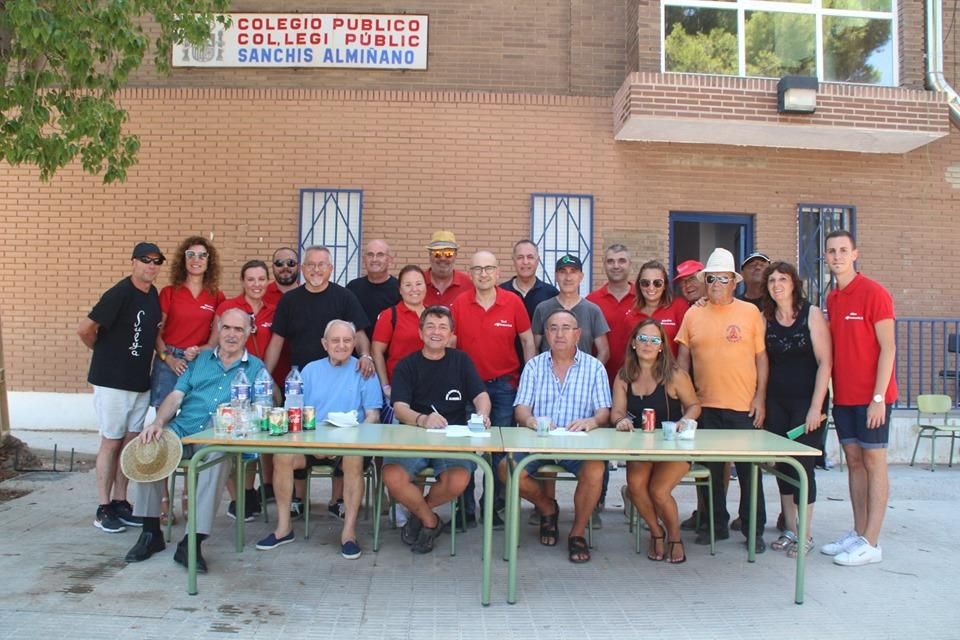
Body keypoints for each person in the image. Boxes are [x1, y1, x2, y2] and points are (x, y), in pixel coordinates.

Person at [123, 308, 266, 571]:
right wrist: (157, 423)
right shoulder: (199, 361)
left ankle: (192, 541)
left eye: (238, 330)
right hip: (184, 429)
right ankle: (150, 532)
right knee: (150, 445)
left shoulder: (256, 368)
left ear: (248, 334)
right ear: (218, 330)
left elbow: (261, 409)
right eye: (226, 328)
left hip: (218, 436)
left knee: (218, 457)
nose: (231, 335)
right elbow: (176, 396)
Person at [255, 320, 382, 560]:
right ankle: (284, 528)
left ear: (354, 343)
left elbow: (373, 416)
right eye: (335, 340)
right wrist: (314, 444)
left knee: (354, 458)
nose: (341, 345)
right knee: (282, 455)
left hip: (349, 445)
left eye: (347, 340)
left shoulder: (365, 370)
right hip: (311, 443)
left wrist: (345, 444)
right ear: (324, 344)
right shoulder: (309, 371)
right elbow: (297, 412)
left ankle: (348, 533)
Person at [675, 247, 768, 551]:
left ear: (734, 281)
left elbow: (762, 360)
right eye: (712, 278)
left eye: (723, 278)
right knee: (712, 473)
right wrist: (686, 403)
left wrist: (760, 398)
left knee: (749, 473)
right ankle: (714, 526)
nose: (717, 284)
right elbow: (683, 362)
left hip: (743, 407)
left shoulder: (750, 313)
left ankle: (754, 530)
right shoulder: (693, 313)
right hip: (706, 407)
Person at [502, 309, 611, 564]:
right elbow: (521, 410)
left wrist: (591, 421)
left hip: (578, 445)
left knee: (595, 471)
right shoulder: (534, 365)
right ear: (546, 333)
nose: (559, 334)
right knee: (505, 469)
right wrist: (530, 420)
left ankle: (577, 532)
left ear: (577, 333)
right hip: (539, 442)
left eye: (566, 328)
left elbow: (604, 412)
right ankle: (547, 507)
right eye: (553, 328)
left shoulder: (594, 367)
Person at [381, 306, 491, 554]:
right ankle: (431, 521)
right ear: (420, 332)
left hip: (452, 435)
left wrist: (482, 413)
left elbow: (481, 394)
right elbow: (399, 408)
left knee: (459, 479)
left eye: (443, 327)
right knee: (392, 476)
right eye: (430, 326)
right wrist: (422, 419)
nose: (436, 332)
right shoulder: (406, 365)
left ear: (451, 334)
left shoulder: (461, 361)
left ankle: (419, 515)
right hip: (413, 432)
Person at [821, 230, 896, 566]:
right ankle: (858, 532)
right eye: (831, 251)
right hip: (846, 397)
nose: (837, 256)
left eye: (843, 250)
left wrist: (878, 397)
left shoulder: (874, 293)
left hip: (872, 398)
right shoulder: (833, 297)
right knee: (854, 463)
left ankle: (873, 542)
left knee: (874, 462)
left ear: (855, 254)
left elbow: (889, 347)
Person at [77, 242, 164, 534]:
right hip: (111, 382)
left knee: (129, 444)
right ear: (133, 262)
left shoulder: (153, 295)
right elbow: (85, 329)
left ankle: (120, 502)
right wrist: (103, 353)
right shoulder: (119, 293)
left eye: (156, 261)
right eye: (145, 260)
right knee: (111, 442)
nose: (151, 266)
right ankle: (103, 508)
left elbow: (154, 334)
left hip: (140, 382)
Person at [451, 251, 535, 526]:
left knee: (499, 453)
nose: (483, 274)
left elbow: (527, 341)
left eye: (488, 268)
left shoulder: (512, 303)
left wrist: (528, 380)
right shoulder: (459, 303)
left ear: (498, 272)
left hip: (503, 388)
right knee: (465, 450)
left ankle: (494, 508)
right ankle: (465, 511)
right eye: (477, 269)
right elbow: (451, 346)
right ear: (471, 273)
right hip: (467, 389)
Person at [611, 319, 701, 563]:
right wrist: (620, 421)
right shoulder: (623, 376)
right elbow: (616, 412)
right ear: (633, 343)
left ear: (661, 346)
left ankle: (674, 537)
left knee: (658, 490)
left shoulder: (675, 375)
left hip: (673, 447)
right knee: (636, 486)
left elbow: (694, 405)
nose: (648, 344)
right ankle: (656, 531)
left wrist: (685, 421)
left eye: (654, 340)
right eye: (642, 339)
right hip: (641, 448)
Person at [150, 236, 225, 525]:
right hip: (170, 361)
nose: (196, 260)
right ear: (184, 259)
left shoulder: (216, 296)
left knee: (192, 424)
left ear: (209, 261)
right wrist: (169, 358)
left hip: (199, 362)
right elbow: (156, 332)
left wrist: (201, 351)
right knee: (164, 427)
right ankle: (163, 497)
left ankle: (187, 494)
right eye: (191, 255)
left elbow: (214, 339)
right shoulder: (169, 292)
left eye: (202, 255)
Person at [762, 261, 832, 559]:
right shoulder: (766, 317)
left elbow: (825, 362)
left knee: (802, 465)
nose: (777, 284)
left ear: (794, 283)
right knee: (781, 465)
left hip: (807, 402)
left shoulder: (811, 314)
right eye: (772, 280)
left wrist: (816, 407)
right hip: (776, 401)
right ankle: (790, 528)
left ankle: (806, 533)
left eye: (783, 279)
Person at [210, 259, 275, 521]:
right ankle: (239, 497)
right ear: (243, 281)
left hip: (264, 379)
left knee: (255, 438)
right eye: (251, 279)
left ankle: (249, 491)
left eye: (261, 279)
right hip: (231, 382)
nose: (256, 284)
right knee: (231, 436)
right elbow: (215, 343)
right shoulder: (228, 307)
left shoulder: (274, 309)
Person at [264, 245, 373, 376]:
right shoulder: (289, 300)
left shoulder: (345, 297)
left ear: (330, 269)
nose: (316, 269)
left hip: (340, 376)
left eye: (321, 265)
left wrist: (365, 356)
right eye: (310, 264)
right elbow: (276, 342)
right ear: (302, 268)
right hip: (301, 378)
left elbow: (359, 334)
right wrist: (266, 376)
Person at [531, 254, 610, 363]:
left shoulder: (593, 310)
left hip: (582, 377)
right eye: (563, 272)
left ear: (581, 276)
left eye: (573, 271)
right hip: (548, 376)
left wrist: (591, 374)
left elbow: (604, 351)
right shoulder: (542, 308)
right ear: (556, 276)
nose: (568, 277)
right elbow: (533, 347)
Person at [618, 260, 689, 358]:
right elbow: (628, 354)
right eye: (645, 283)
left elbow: (686, 349)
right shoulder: (631, 316)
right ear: (639, 285)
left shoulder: (679, 307)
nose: (651, 288)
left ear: (665, 286)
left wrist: (680, 373)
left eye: (657, 283)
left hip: (672, 372)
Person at [586, 244, 636, 383]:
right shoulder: (591, 300)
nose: (616, 266)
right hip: (599, 380)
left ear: (630, 264)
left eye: (621, 261)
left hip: (636, 380)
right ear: (604, 264)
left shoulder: (642, 298)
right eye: (610, 261)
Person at [347, 239, 400, 341]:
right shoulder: (352, 288)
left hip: (390, 353)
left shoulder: (399, 289)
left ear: (390, 260)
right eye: (370, 255)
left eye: (380, 255)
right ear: (364, 259)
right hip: (357, 353)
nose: (374, 259)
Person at [500, 240, 559, 319]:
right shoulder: (501, 292)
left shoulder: (551, 293)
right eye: (520, 257)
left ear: (537, 260)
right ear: (513, 260)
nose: (525, 262)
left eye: (530, 257)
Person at [423, 231, 474, 307]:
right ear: (430, 255)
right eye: (437, 253)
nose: (443, 258)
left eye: (448, 253)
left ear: (456, 255)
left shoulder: (469, 284)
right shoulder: (417, 284)